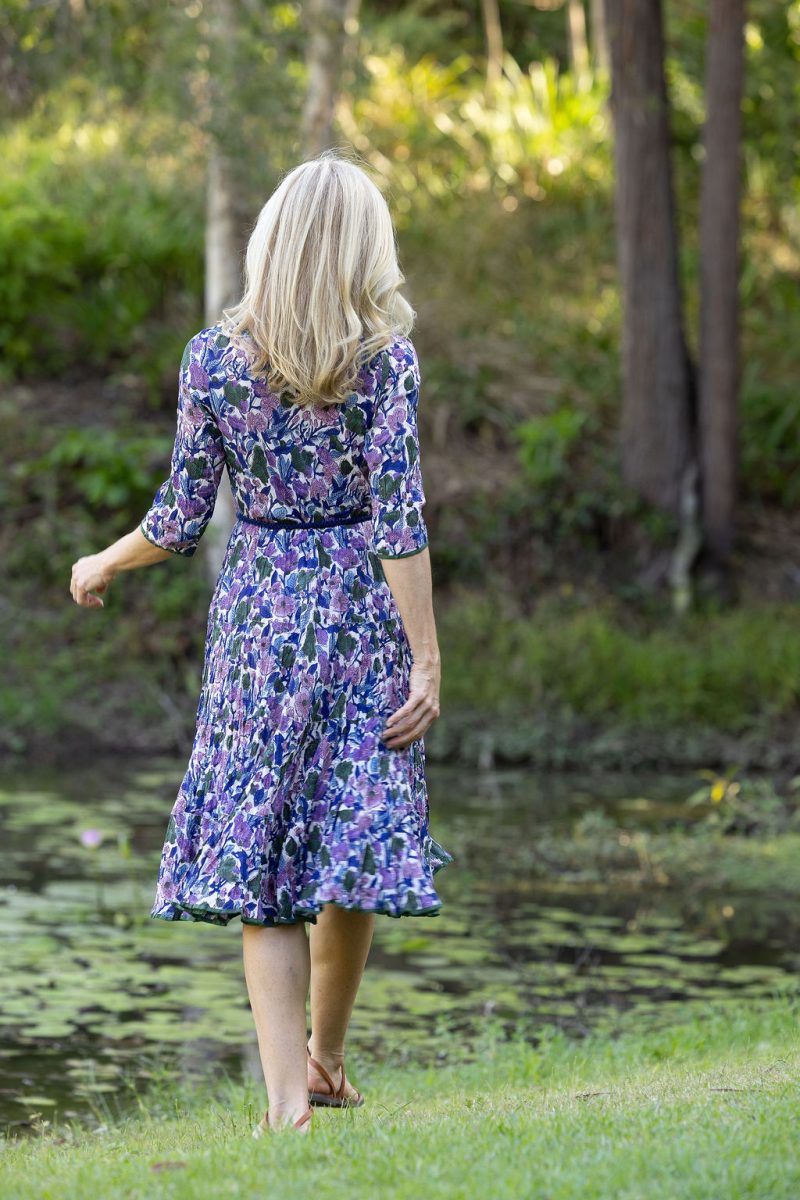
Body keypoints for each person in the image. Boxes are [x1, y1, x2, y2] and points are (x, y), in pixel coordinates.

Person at [69, 150, 453, 1136]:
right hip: (355, 620)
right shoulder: (386, 363)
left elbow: (181, 516)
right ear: (361, 250)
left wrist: (107, 559)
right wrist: (425, 655)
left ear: (270, 241)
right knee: (347, 839)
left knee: (266, 854)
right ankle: (322, 1058)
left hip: (257, 624)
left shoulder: (212, 359)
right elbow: (397, 518)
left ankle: (292, 1100)